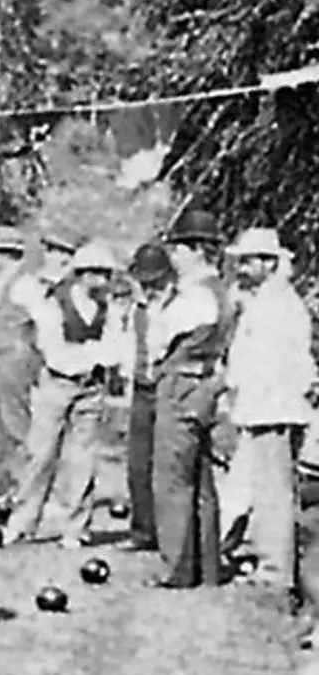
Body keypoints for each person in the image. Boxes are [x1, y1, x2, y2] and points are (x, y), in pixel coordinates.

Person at [2, 241, 129, 547]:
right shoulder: (55, 303)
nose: (99, 281)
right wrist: (91, 354)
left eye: (104, 274)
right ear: (80, 274)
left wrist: (91, 355)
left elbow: (114, 351)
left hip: (91, 388)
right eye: (93, 273)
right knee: (40, 455)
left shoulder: (108, 308)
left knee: (82, 459)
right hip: (57, 384)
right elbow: (54, 351)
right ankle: (22, 523)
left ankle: (76, 527)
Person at [222, 227, 314, 599]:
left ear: (269, 263)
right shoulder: (264, 302)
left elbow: (288, 366)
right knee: (261, 489)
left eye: (249, 261)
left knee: (273, 493)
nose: (243, 268)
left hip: (275, 410)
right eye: (241, 261)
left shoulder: (281, 306)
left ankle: (276, 571)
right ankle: (268, 561)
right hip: (261, 409)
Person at [147, 208, 235, 590]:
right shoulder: (221, 292)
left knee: (171, 479)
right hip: (203, 385)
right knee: (200, 482)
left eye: (179, 250)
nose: (174, 257)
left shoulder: (195, 295)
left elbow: (161, 340)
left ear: (198, 251)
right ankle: (207, 567)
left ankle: (177, 569)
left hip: (180, 383)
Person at [0, 227, 42, 515]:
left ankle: (21, 492)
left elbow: (42, 320)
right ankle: (4, 490)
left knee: (15, 427)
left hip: (13, 355)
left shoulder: (24, 284)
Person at [123, 243, 175, 552]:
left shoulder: (176, 305)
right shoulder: (137, 308)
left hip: (167, 387)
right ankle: (143, 530)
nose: (149, 287)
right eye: (144, 281)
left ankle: (169, 531)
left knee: (167, 464)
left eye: (155, 281)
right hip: (142, 388)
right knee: (138, 463)